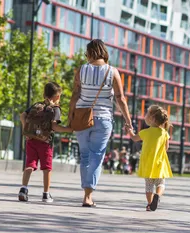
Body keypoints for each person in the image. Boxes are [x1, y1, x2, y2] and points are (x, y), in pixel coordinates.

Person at [68, 39, 132, 207]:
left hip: (82, 117)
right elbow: (120, 99)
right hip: (103, 119)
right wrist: (128, 121)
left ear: (89, 53)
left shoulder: (81, 70)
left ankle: (86, 193)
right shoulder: (112, 72)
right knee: (97, 156)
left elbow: (75, 95)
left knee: (85, 156)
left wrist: (70, 117)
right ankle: (88, 195)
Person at [18, 82, 73, 203]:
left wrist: (26, 130)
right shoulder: (55, 109)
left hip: (31, 140)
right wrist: (68, 129)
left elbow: (23, 115)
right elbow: (55, 127)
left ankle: (23, 189)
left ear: (44, 94)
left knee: (30, 165)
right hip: (45, 143)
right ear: (58, 96)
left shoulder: (37, 105)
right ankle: (46, 194)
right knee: (47, 168)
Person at [126, 105, 173, 211]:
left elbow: (134, 138)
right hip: (160, 163)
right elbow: (166, 147)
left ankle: (150, 204)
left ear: (152, 118)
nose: (145, 116)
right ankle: (158, 196)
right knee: (160, 183)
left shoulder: (145, 132)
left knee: (149, 186)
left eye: (147, 114)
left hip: (148, 163)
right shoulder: (164, 133)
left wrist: (130, 131)